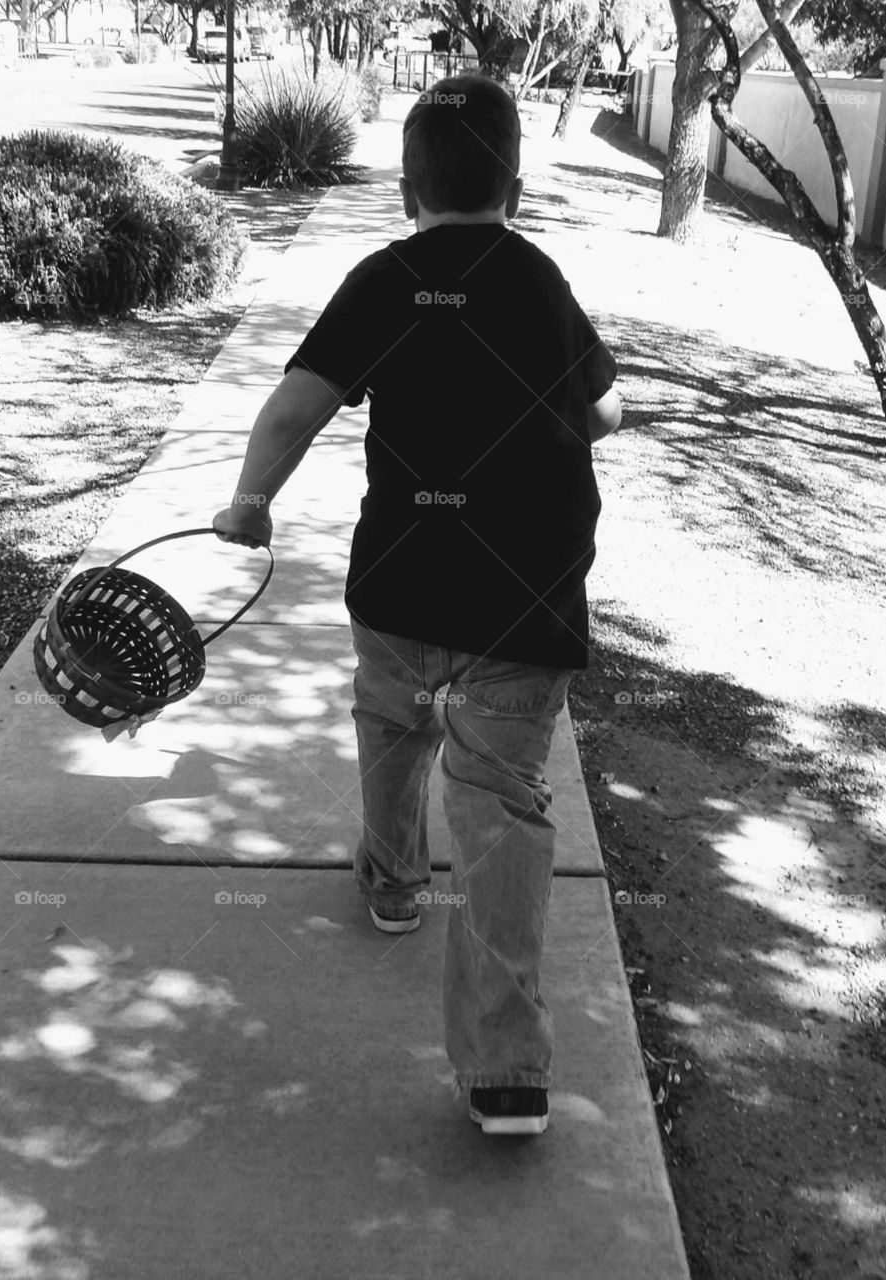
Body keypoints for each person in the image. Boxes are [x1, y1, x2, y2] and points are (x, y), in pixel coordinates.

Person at [214, 74, 622, 1136]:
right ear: (516, 188)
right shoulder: (540, 280)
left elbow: (295, 405)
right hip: (524, 603)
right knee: (497, 809)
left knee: (392, 729)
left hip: (399, 581)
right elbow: (607, 406)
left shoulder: (383, 279)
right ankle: (504, 1074)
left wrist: (249, 502)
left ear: (406, 190)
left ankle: (393, 880)